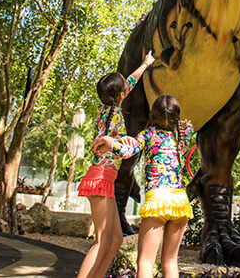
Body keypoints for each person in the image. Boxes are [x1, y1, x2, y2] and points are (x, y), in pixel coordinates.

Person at [93, 95, 194, 278]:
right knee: (170, 262)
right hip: (180, 202)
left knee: (145, 262)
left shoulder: (148, 134)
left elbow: (126, 152)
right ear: (175, 118)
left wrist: (110, 143)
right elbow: (189, 129)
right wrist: (186, 125)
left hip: (158, 202)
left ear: (153, 115)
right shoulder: (180, 136)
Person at [76, 50, 156, 278]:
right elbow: (108, 140)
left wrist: (145, 64)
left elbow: (128, 83)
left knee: (115, 240)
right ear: (120, 95)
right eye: (123, 87)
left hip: (105, 178)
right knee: (102, 241)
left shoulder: (110, 111)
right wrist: (116, 142)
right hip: (100, 177)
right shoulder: (113, 116)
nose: (126, 87)